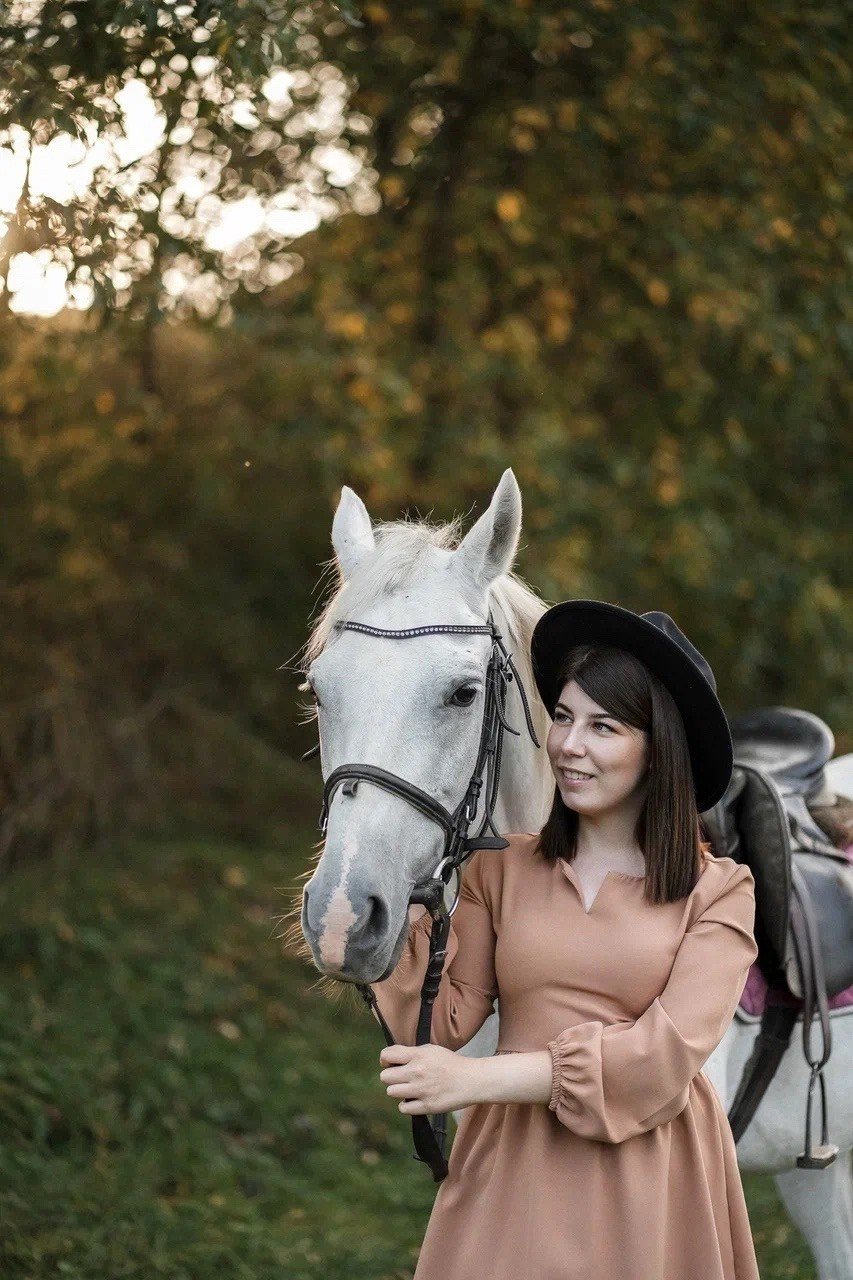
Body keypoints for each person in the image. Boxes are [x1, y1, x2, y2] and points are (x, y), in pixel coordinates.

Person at [371, 599, 760, 1280]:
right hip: (510, 1166)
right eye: (562, 717)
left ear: (658, 750)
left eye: (603, 726)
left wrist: (476, 1079)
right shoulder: (500, 868)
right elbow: (439, 1022)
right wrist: (386, 925)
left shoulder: (719, 891)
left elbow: (661, 1059)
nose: (569, 745)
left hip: (650, 1171)